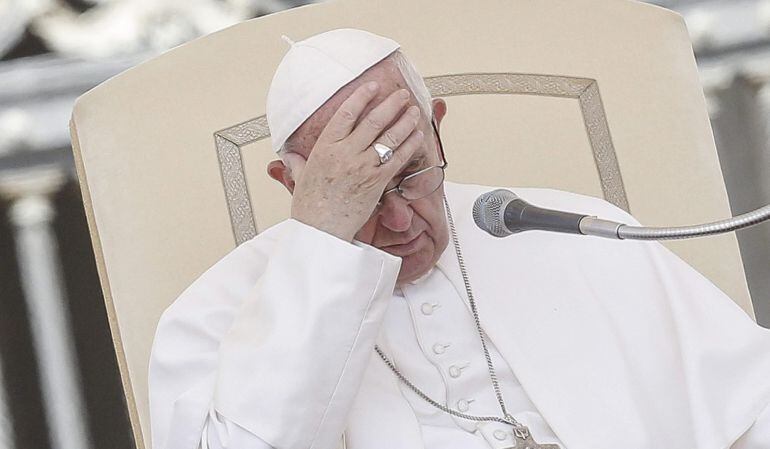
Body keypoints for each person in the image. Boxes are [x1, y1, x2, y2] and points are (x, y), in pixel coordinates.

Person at [148, 29, 770, 449]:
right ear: (290, 182)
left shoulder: (568, 228)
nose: (398, 221)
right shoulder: (211, 316)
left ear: (437, 126)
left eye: (412, 173)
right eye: (358, 196)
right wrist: (324, 245)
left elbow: (752, 403)